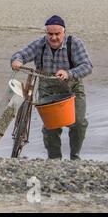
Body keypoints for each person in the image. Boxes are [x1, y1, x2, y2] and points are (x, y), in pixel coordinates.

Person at [11, 15, 93, 160]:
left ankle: (75, 157)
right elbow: (21, 54)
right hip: (47, 90)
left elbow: (87, 66)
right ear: (46, 33)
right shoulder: (39, 44)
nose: (53, 37)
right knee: (51, 127)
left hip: (72, 89)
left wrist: (68, 73)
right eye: (50, 34)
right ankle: (54, 160)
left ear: (64, 32)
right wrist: (17, 60)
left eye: (57, 34)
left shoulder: (74, 44)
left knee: (78, 123)